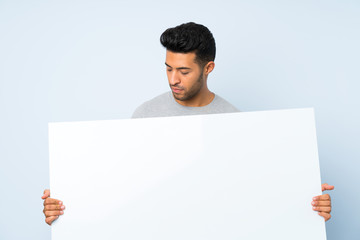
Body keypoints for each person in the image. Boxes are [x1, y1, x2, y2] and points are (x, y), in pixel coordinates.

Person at [42, 22, 334, 225]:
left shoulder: (236, 123)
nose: (173, 79)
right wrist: (68, 205)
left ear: (208, 68)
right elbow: (118, 188)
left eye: (183, 71)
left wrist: (302, 197)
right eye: (168, 68)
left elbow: (254, 198)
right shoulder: (145, 115)